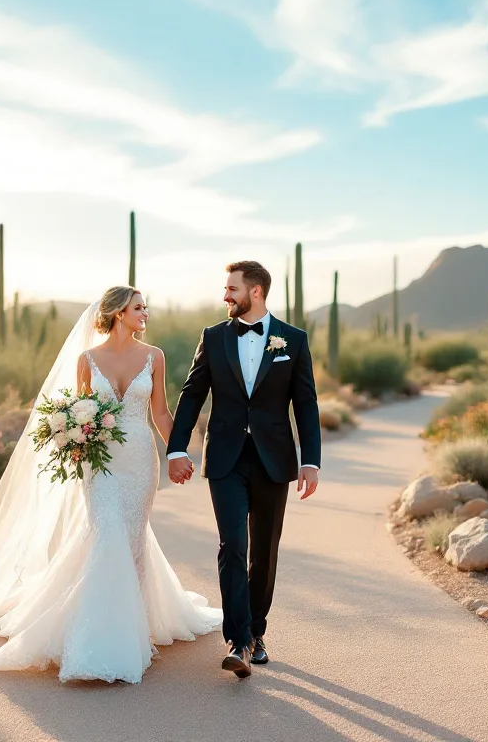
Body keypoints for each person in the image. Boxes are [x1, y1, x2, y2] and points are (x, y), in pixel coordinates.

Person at [0, 286, 222, 684]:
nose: (145, 313)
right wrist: (74, 443)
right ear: (117, 312)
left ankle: (136, 624)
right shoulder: (86, 360)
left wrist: (176, 452)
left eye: (145, 307)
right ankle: (98, 636)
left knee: (132, 537)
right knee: (106, 532)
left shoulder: (155, 356)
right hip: (102, 464)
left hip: (140, 460)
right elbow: (78, 413)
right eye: (138, 307)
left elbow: (160, 412)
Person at [166, 260, 321, 678]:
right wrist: (176, 448)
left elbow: (306, 403)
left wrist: (310, 460)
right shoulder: (213, 337)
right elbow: (192, 393)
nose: (225, 296)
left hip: (274, 459)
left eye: (231, 288)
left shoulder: (293, 339)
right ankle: (239, 639)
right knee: (232, 544)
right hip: (226, 458)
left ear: (255, 292)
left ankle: (256, 631)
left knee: (264, 551)